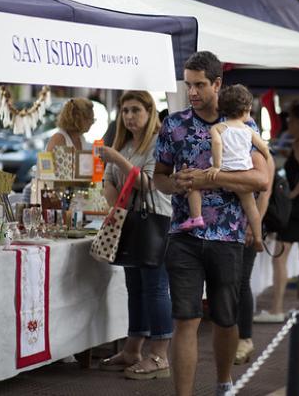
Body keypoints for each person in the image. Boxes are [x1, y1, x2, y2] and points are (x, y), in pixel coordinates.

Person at [154, 51, 268, 396]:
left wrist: (208, 181)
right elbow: (159, 176)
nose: (192, 92)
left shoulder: (243, 123)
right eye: (188, 85)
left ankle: (223, 383)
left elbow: (260, 179)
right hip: (183, 234)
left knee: (225, 318)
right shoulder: (173, 124)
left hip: (229, 235)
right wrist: (177, 184)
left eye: (199, 85)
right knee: (185, 319)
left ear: (217, 83)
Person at [97, 91, 173, 380]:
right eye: (125, 110)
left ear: (149, 111)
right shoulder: (125, 143)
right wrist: (114, 202)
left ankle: (160, 355)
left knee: (155, 288)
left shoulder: (158, 143)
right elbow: (108, 181)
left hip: (156, 222)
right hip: (129, 224)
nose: (129, 116)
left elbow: (148, 184)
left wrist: (116, 158)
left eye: (135, 110)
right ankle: (132, 348)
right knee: (136, 288)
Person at [255, 104, 299, 323]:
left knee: (280, 257)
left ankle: (276, 308)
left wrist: (292, 195)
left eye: (291, 121)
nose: (288, 125)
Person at [182, 84, 268, 254]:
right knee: (251, 207)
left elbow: (217, 144)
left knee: (194, 184)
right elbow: (263, 147)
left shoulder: (218, 128)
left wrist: (216, 166)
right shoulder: (249, 130)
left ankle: (196, 217)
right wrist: (265, 157)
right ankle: (258, 238)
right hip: (243, 172)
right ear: (246, 109)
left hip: (224, 172)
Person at [234, 155, 275, 365]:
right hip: (227, 225)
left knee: (241, 281)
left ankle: (245, 338)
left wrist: (253, 226)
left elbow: (264, 197)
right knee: (230, 282)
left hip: (248, 225)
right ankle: (235, 337)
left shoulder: (264, 157)